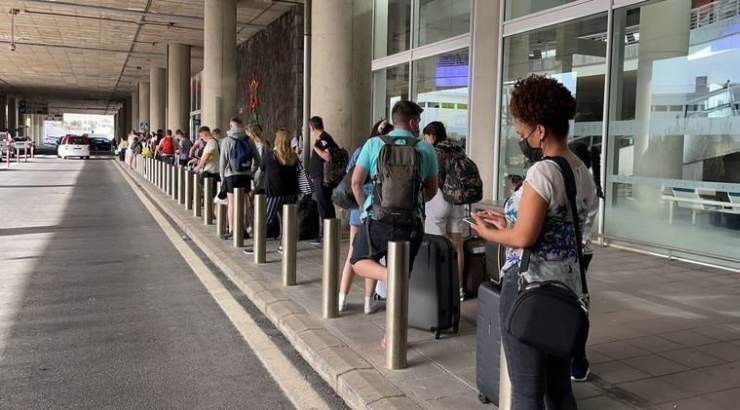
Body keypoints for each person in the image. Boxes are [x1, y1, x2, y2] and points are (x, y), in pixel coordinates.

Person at [470, 74, 597, 409]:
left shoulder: (542, 171)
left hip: (528, 287)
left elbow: (525, 237)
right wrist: (507, 220)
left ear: (540, 130)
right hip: (566, 288)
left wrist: (488, 233)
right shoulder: (582, 170)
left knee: (526, 389)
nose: (521, 137)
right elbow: (556, 224)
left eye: (521, 131)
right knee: (558, 388)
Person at [350, 101, 439, 347]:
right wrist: (415, 204)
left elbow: (356, 183)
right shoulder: (425, 149)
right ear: (411, 122)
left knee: (358, 261)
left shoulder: (374, 143)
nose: (418, 126)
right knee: (402, 279)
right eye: (418, 122)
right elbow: (432, 189)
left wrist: (364, 208)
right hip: (410, 223)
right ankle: (392, 337)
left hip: (377, 217)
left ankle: (385, 274)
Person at [338, 120, 393, 315]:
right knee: (372, 255)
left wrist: (361, 207)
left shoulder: (362, 149)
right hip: (377, 208)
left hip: (359, 205)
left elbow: (351, 176)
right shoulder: (390, 150)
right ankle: (368, 303)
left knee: (354, 253)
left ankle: (341, 299)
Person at [567, 141, 603, 383]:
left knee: (574, 305)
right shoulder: (589, 184)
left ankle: (577, 360)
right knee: (575, 303)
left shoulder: (581, 184)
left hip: (574, 252)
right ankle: (576, 360)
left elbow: (583, 230)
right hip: (578, 251)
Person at [422, 121, 466, 300]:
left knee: (437, 243)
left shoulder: (433, 151)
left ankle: (439, 285)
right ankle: (458, 288)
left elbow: (431, 178)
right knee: (457, 244)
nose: (425, 140)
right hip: (458, 199)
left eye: (426, 137)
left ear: (432, 136)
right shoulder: (459, 150)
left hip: (439, 198)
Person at [243, 129, 300, 255]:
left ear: (277, 141)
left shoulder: (270, 156)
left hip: (275, 194)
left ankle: (257, 246)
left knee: (265, 220)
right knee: (286, 221)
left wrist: (254, 186)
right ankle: (284, 245)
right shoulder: (294, 156)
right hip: (291, 193)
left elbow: (260, 171)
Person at [220, 117, 261, 241]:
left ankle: (232, 230)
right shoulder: (249, 140)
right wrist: (251, 171)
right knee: (243, 204)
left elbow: (223, 162)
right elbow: (258, 159)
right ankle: (243, 229)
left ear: (232, 125)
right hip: (245, 175)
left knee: (231, 204)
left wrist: (222, 178)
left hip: (231, 176)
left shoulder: (227, 140)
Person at [308, 116, 338, 246]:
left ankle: (324, 234)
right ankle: (329, 232)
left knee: (323, 204)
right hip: (320, 177)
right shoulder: (325, 137)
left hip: (322, 177)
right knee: (326, 203)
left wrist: (315, 148)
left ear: (312, 127)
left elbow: (328, 156)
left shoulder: (324, 138)